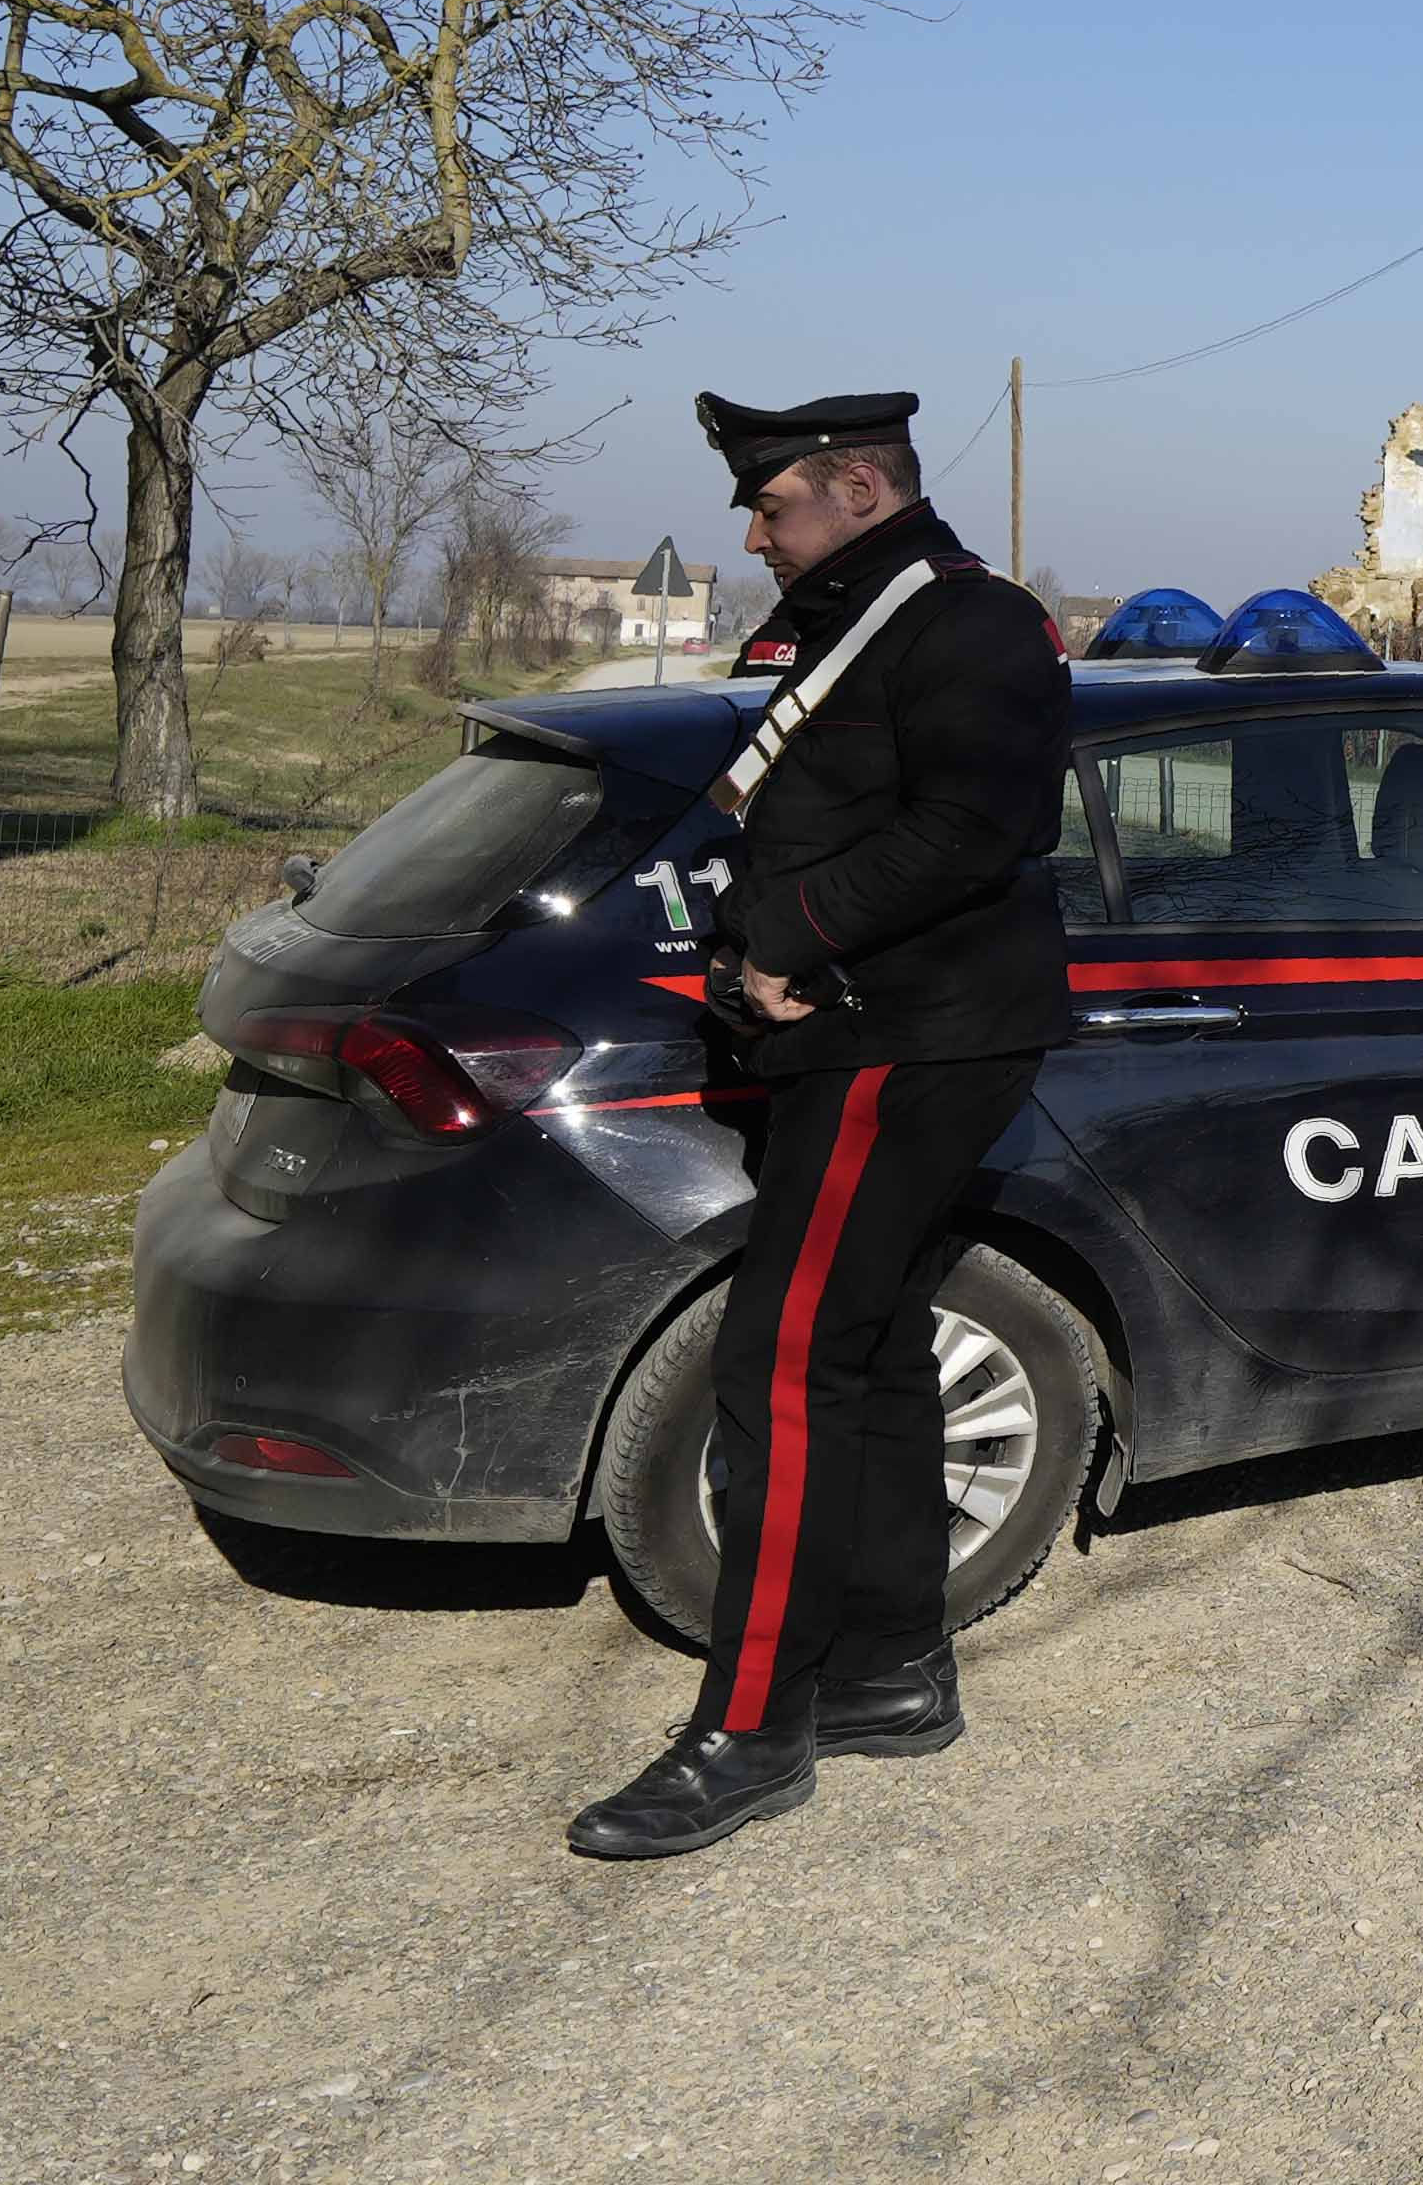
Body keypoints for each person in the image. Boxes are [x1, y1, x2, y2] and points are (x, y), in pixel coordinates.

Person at [569, 389, 1074, 1862]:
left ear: (858, 486)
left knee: (781, 1363)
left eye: (772, 503)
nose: (750, 530)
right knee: (866, 1347)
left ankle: (751, 1728)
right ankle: (887, 1671)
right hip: (841, 1026)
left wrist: (788, 936)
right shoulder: (842, 610)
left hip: (903, 1032)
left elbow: (976, 830)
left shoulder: (968, 623)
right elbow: (809, 802)